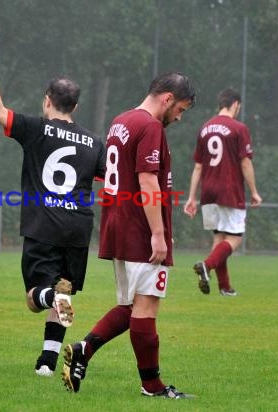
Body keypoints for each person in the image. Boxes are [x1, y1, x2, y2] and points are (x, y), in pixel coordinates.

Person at [62, 72, 195, 399]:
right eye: (180, 109)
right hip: (140, 228)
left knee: (131, 304)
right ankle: (153, 386)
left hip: (118, 225)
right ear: (167, 99)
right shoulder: (150, 126)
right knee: (147, 308)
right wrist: (159, 234)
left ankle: (84, 349)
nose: (179, 116)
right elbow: (148, 180)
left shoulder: (121, 121)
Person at [0, 30, 106, 377]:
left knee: (36, 297)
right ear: (76, 106)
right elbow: (110, 181)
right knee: (64, 292)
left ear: (47, 100)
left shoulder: (36, 128)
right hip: (78, 228)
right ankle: (46, 364)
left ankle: (49, 299)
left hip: (43, 226)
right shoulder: (93, 142)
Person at [183, 88, 262, 296]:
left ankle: (224, 287)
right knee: (235, 239)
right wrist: (254, 191)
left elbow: (198, 167)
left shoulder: (205, 128)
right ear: (235, 104)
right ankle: (206, 266)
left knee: (219, 240)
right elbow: (245, 163)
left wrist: (192, 197)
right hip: (230, 189)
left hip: (208, 191)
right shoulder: (239, 128)